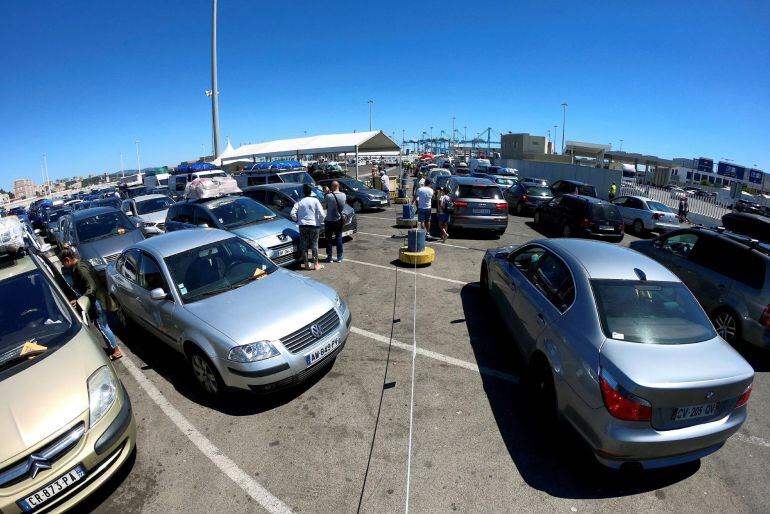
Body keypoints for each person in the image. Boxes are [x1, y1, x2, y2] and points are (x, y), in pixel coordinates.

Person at [60, 247, 122, 360]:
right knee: (103, 325)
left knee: (102, 326)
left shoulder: (79, 268)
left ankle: (116, 351)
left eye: (63, 262)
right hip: (100, 298)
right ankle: (113, 348)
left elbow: (91, 286)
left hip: (96, 301)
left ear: (68, 259)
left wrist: (82, 299)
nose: (63, 265)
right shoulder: (84, 262)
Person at [291, 183, 326, 270]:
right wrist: (319, 222)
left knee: (304, 245)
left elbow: (292, 213)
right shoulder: (315, 200)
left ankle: (306, 265)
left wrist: (297, 219)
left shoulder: (299, 201)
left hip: (302, 225)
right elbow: (322, 214)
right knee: (314, 244)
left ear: (303, 192)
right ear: (311, 192)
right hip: (314, 225)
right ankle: (316, 264)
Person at [323, 181, 346, 263]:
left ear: (332, 187)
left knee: (329, 239)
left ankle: (330, 257)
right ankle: (339, 257)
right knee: (339, 238)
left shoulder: (328, 196)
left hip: (329, 220)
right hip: (338, 220)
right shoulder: (343, 195)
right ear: (338, 186)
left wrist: (326, 194)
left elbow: (324, 206)